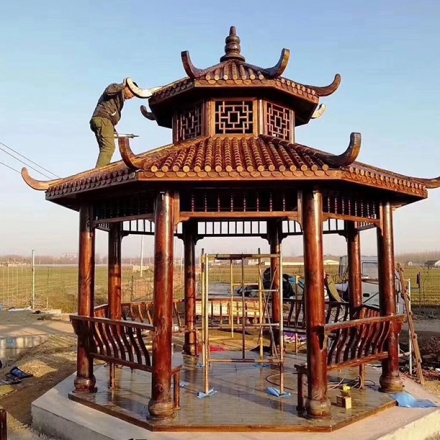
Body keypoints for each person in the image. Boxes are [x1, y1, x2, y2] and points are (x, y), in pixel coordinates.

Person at [90, 78, 160, 168]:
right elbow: (108, 91)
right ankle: (99, 172)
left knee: (105, 148)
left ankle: (100, 168)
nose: (132, 97)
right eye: (132, 93)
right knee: (109, 148)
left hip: (102, 121)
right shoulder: (115, 88)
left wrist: (112, 130)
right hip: (103, 119)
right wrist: (123, 85)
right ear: (127, 88)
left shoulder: (120, 99)